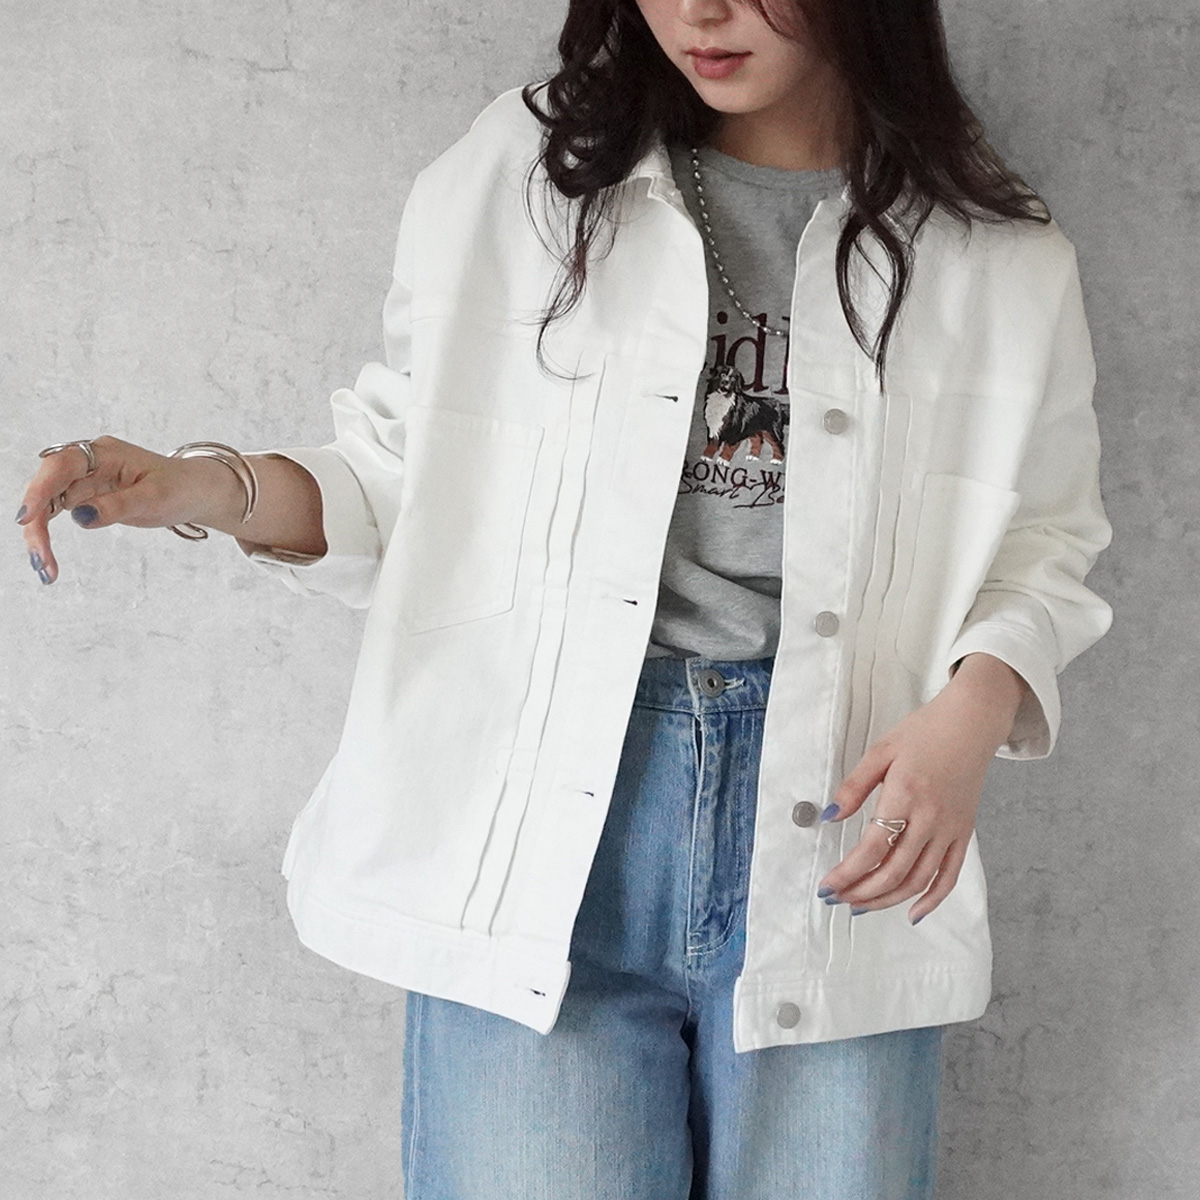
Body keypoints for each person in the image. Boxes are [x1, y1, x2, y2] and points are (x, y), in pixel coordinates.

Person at [17, 0, 1112, 1196]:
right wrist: (194, 486)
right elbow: (403, 477)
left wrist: (971, 714)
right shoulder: (524, 178)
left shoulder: (996, 253)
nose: (699, 13)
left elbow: (1045, 540)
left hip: (848, 827)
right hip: (537, 818)